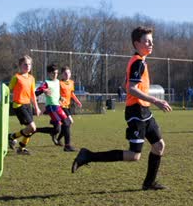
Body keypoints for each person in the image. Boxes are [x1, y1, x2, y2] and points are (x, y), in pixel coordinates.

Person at [71, 26, 172, 191]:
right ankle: (88, 155)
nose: (151, 44)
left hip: (145, 112)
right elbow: (131, 88)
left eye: (152, 41)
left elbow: (130, 85)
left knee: (159, 146)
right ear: (137, 43)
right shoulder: (137, 62)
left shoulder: (140, 61)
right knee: (134, 155)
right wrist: (156, 100)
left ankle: (149, 183)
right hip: (136, 112)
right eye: (147, 41)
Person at [7, 55, 41, 155]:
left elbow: (32, 94)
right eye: (25, 64)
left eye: (29, 64)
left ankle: (20, 148)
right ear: (20, 65)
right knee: (32, 128)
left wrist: (36, 107)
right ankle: (12, 137)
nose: (28, 66)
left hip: (27, 105)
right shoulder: (16, 77)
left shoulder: (31, 78)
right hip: (18, 105)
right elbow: (8, 90)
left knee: (30, 129)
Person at [34, 63, 70, 147]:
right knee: (58, 128)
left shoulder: (57, 81)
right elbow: (36, 92)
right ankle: (36, 130)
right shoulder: (46, 83)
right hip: (51, 107)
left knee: (66, 123)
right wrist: (43, 90)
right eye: (53, 73)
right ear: (49, 73)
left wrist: (60, 97)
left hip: (58, 106)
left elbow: (55, 92)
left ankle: (66, 144)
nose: (55, 75)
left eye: (57, 73)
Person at [57, 65, 83, 152]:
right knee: (69, 121)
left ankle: (58, 139)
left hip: (67, 106)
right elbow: (56, 94)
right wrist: (60, 98)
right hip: (61, 106)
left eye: (68, 73)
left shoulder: (71, 82)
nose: (67, 74)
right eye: (65, 73)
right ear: (62, 74)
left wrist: (77, 101)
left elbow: (72, 94)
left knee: (66, 124)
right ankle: (67, 145)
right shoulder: (59, 83)